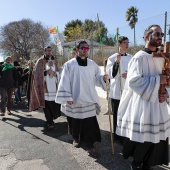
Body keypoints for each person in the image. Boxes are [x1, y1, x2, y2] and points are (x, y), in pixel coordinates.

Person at [116, 24, 170, 170]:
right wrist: (158, 80)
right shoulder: (139, 58)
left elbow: (168, 78)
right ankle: (136, 163)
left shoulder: (162, 56)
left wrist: (166, 93)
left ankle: (148, 163)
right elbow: (133, 81)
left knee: (157, 138)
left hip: (159, 103)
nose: (160, 37)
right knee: (145, 138)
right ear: (147, 36)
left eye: (161, 34)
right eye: (156, 34)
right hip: (144, 104)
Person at [55, 40, 108, 157]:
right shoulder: (69, 65)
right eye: (83, 48)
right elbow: (64, 82)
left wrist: (103, 78)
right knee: (75, 121)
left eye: (87, 48)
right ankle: (76, 138)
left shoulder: (93, 64)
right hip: (75, 99)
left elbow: (97, 78)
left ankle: (90, 145)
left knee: (90, 123)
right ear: (77, 49)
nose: (85, 50)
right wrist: (67, 96)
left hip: (89, 99)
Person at [106, 36, 133, 143]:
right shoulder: (112, 58)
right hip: (117, 90)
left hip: (128, 90)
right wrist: (117, 63)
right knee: (117, 113)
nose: (127, 45)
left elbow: (136, 72)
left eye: (128, 42)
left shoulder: (132, 57)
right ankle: (117, 135)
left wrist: (129, 74)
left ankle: (126, 133)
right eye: (125, 43)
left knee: (127, 113)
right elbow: (110, 74)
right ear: (119, 44)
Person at [29, 46, 61, 129]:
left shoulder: (55, 60)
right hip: (45, 88)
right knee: (46, 105)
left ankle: (52, 118)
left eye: (50, 50)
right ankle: (49, 122)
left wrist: (55, 73)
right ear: (45, 51)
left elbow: (60, 71)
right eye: (48, 51)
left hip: (54, 86)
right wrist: (46, 72)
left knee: (54, 104)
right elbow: (36, 73)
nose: (49, 52)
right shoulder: (40, 61)